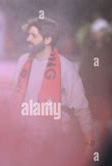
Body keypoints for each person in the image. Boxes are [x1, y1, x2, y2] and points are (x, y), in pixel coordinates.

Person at [13, 18, 94, 148]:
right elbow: (14, 98)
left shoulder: (66, 67)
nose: (28, 39)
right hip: (25, 139)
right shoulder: (22, 61)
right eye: (28, 35)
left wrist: (89, 142)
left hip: (56, 141)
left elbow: (81, 108)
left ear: (47, 40)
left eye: (33, 35)